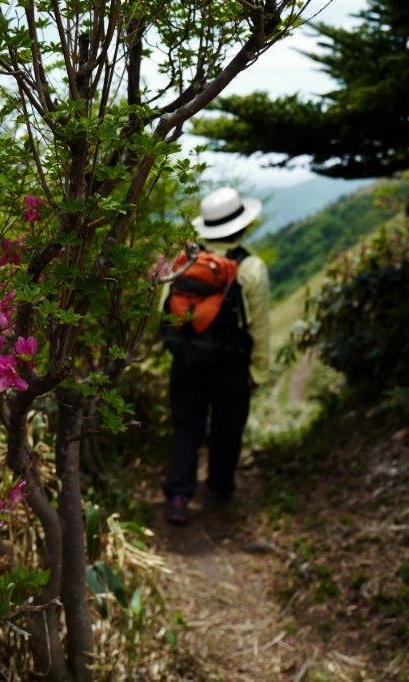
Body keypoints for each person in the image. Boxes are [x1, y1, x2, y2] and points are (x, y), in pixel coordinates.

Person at [162, 187, 271, 525]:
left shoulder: (187, 261)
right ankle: (220, 491)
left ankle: (179, 496)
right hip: (230, 363)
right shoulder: (251, 267)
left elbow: (164, 311)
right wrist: (258, 372)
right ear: (243, 225)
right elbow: (260, 326)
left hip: (186, 361)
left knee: (186, 428)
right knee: (227, 427)